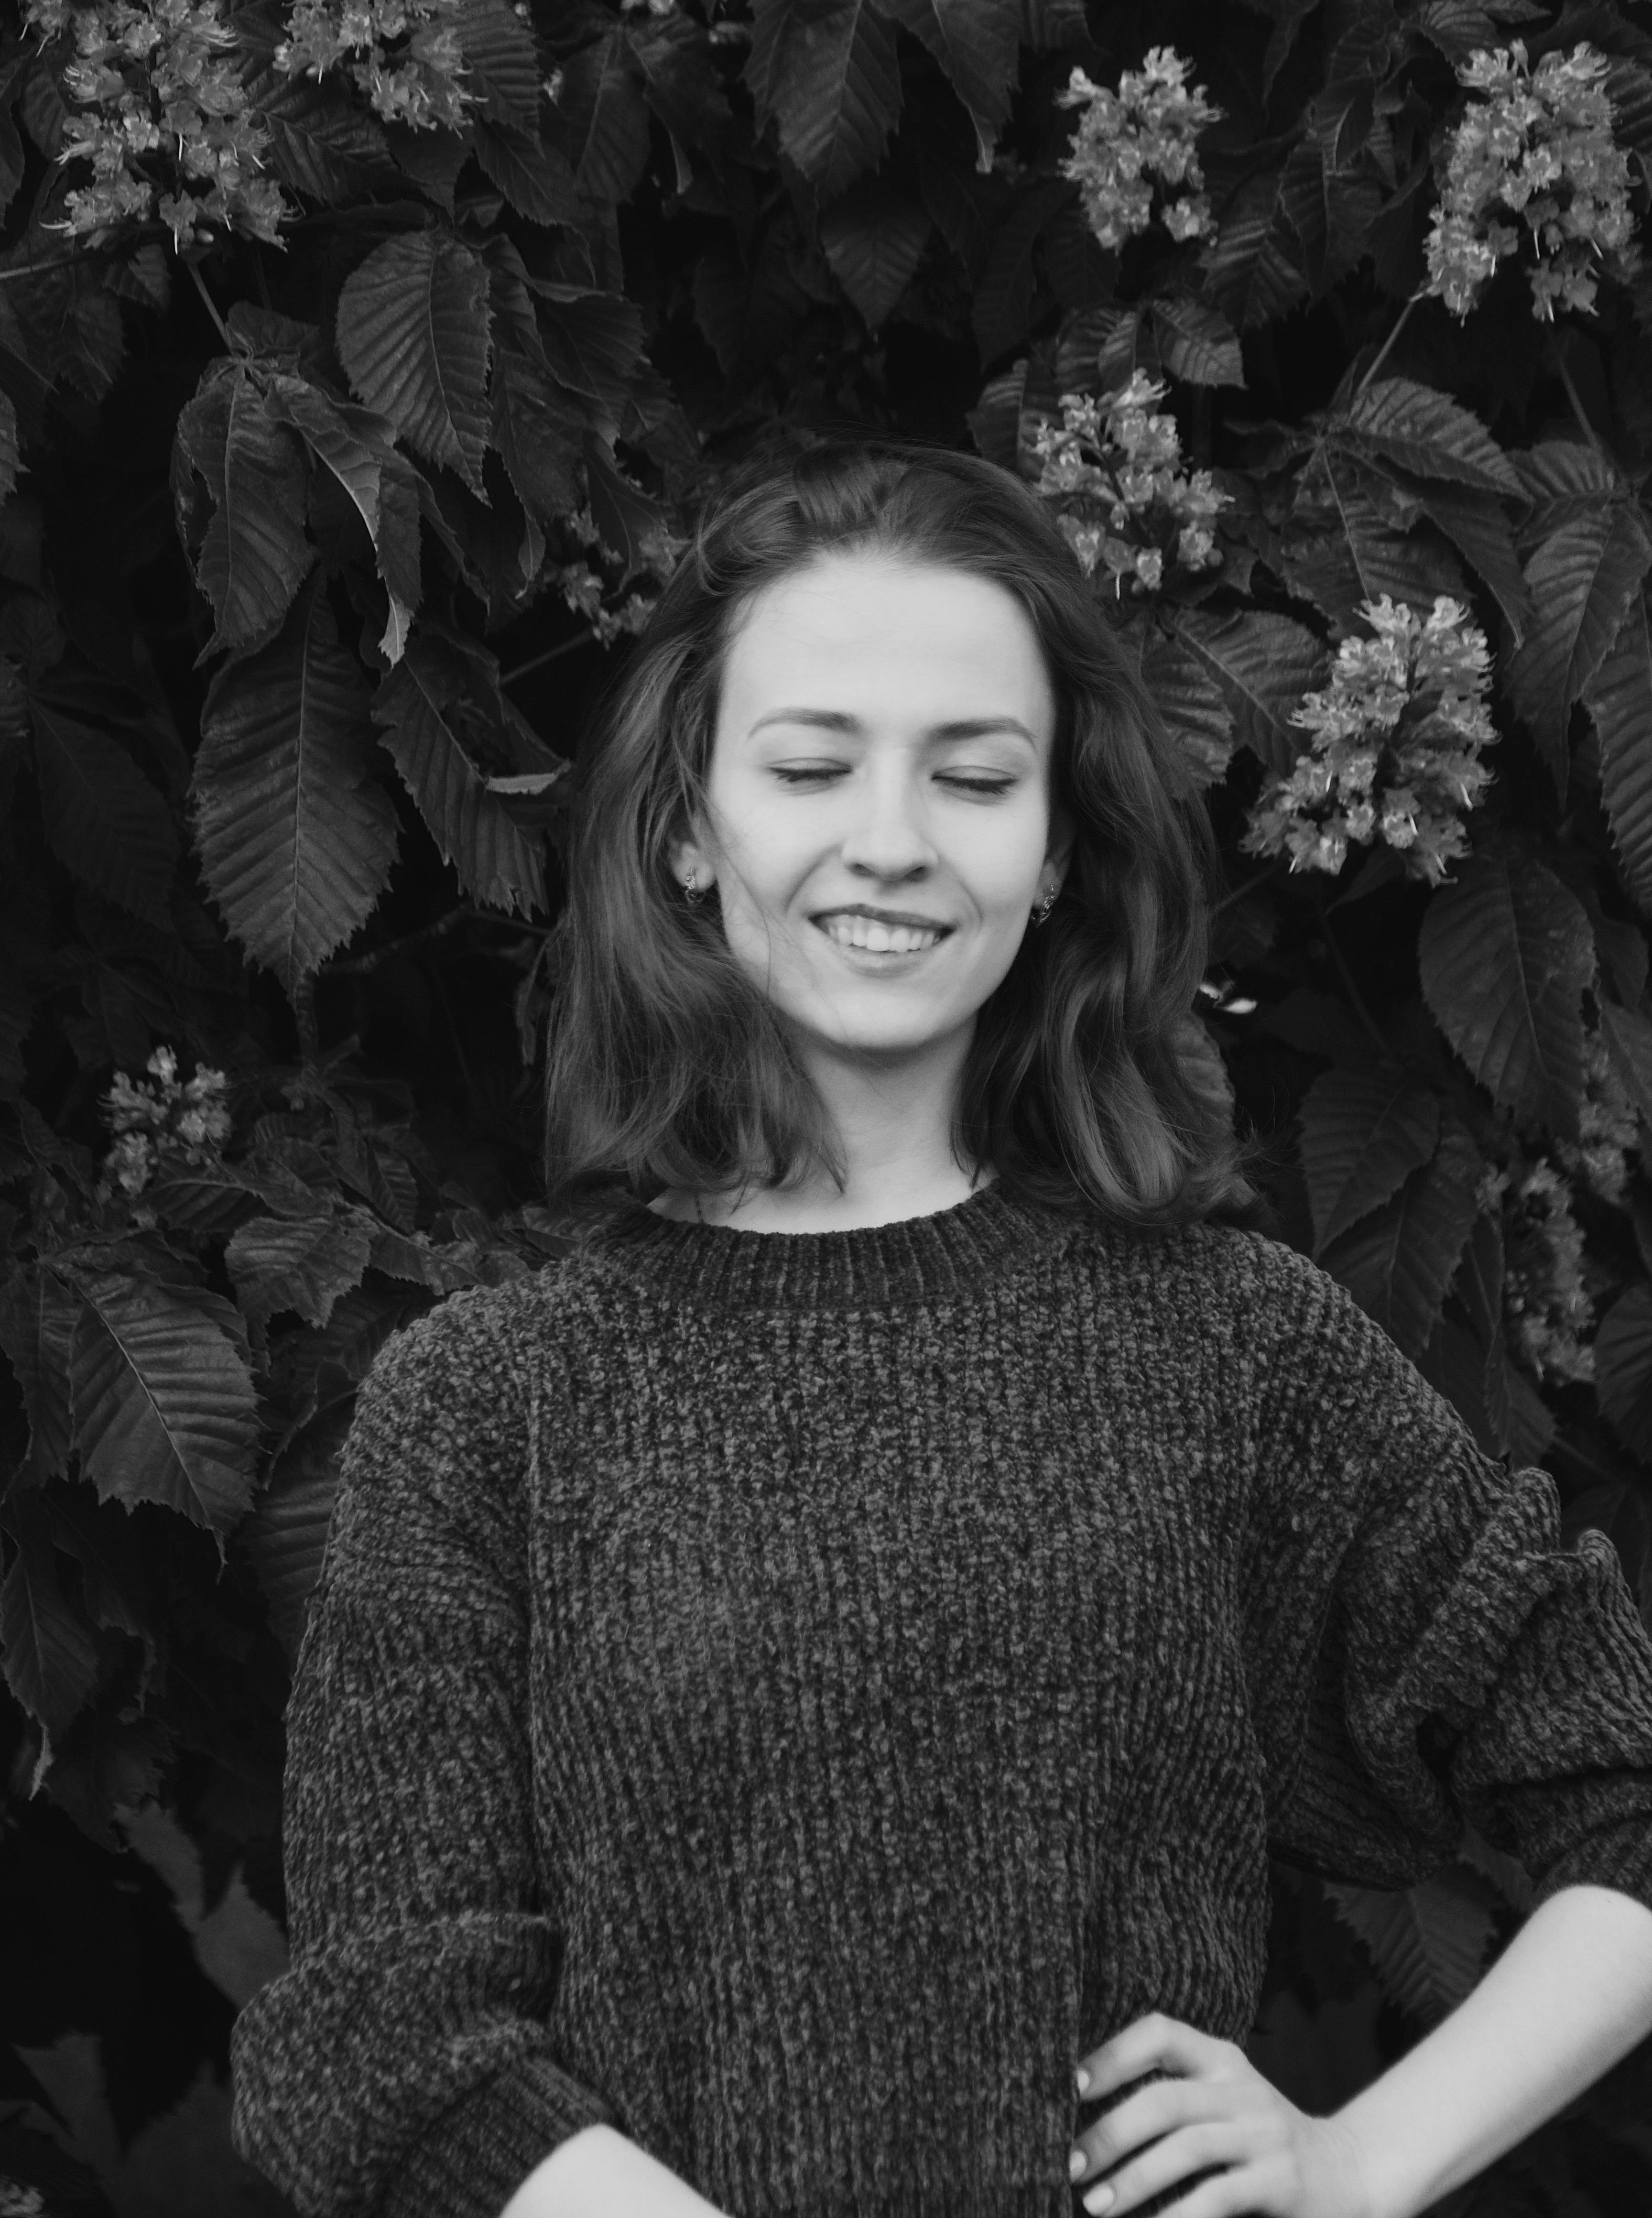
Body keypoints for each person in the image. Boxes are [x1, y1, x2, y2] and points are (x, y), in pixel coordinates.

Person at [230, 445, 1652, 2218]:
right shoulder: (491, 1408)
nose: (890, 841)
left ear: (1058, 851)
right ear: (686, 821)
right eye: (812, 765)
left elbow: (1623, 1782)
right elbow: (376, 2035)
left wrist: (1359, 2161)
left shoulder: (1222, 1350)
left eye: (973, 777)